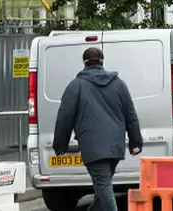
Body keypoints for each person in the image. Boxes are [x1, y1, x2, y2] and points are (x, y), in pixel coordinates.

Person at [54, 47, 143, 211]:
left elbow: (64, 117)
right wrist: (135, 141)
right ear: (102, 61)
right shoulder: (118, 84)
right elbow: (130, 113)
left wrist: (60, 145)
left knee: (104, 190)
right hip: (115, 147)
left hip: (92, 147)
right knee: (103, 188)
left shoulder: (76, 86)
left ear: (84, 63)